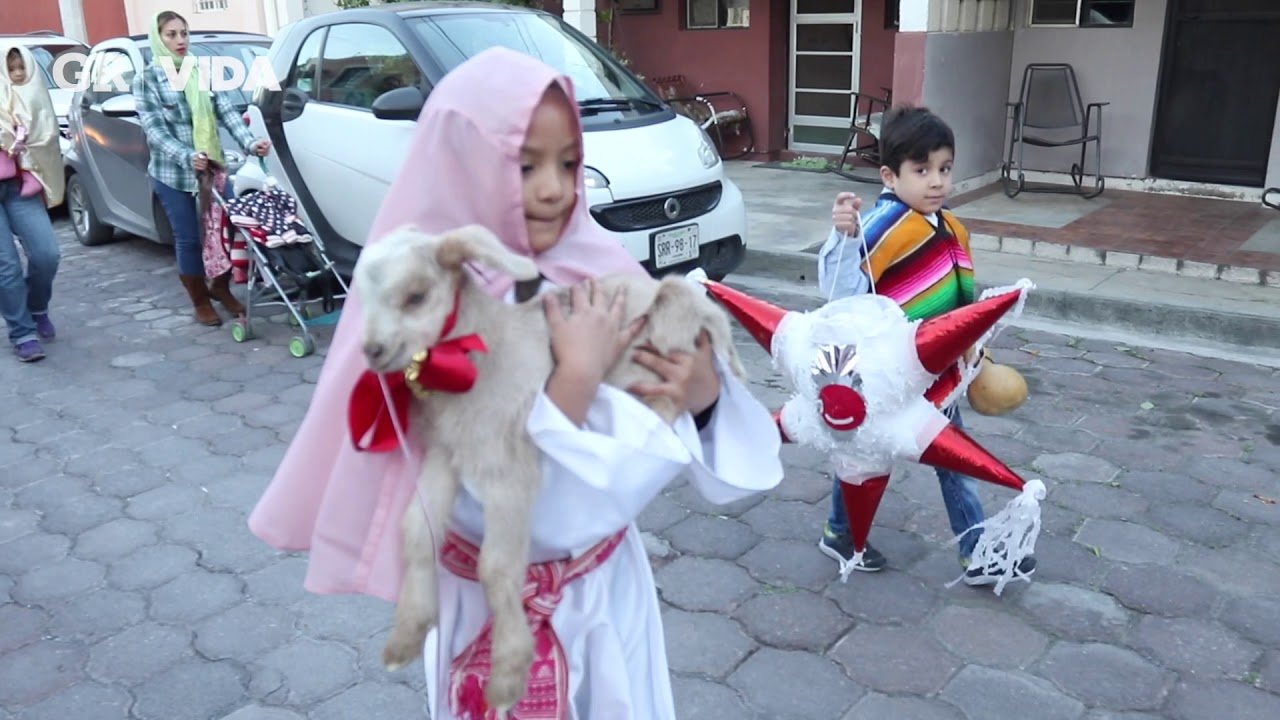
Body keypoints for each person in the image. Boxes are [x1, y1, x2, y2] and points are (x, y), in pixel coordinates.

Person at [247, 47, 784, 719]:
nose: (555, 188)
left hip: (607, 594)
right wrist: (579, 378)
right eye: (524, 166)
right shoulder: (435, 303)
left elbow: (715, 456)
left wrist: (704, 396)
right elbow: (522, 511)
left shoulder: (596, 265)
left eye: (568, 163)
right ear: (465, 161)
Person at [815, 105, 1036, 586]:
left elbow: (959, 298)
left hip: (939, 372)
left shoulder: (951, 226)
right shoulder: (884, 224)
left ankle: (976, 552)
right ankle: (839, 530)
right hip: (893, 373)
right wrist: (844, 235)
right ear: (890, 176)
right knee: (868, 457)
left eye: (944, 168)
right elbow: (842, 289)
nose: (936, 181)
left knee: (951, 460)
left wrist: (972, 347)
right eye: (922, 170)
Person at [132, 9, 271, 326]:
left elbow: (227, 112)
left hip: (212, 169)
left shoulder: (200, 70)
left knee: (226, 229)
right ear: (158, 38)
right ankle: (199, 300)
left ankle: (220, 287)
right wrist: (186, 155)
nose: (180, 40)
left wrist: (251, 143)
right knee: (189, 238)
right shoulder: (147, 79)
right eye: (171, 34)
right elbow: (154, 130)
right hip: (174, 172)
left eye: (184, 33)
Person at [0, 43, 63, 362]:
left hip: (18, 182)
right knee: (6, 265)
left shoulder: (24, 93)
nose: (17, 73)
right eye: (11, 68)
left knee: (46, 253)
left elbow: (43, 132)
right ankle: (22, 332)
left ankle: (35, 306)